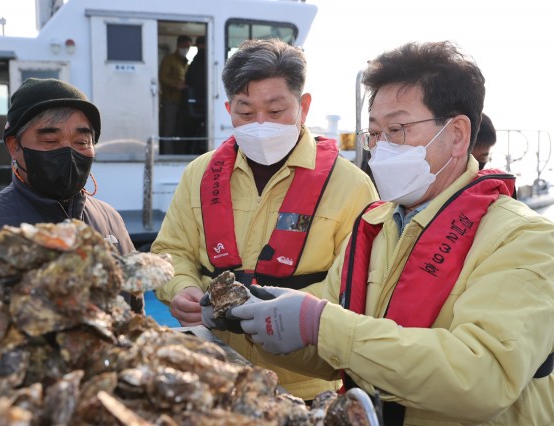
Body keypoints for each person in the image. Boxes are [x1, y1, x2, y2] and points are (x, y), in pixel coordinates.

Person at [218, 41, 554, 425]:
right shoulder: (375, 227)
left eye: (396, 130)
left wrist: (319, 323)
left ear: (458, 134)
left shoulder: (526, 239)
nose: (380, 150)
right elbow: (331, 348)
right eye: (374, 134)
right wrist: (252, 318)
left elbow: (484, 377)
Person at [152, 38, 379, 401]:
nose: (260, 124)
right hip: (212, 376)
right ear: (228, 109)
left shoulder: (352, 185)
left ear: (303, 106)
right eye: (245, 112)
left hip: (305, 386)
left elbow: (362, 285)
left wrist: (283, 313)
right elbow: (170, 251)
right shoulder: (199, 174)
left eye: (275, 112)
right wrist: (181, 290)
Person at [0, 78, 143, 311]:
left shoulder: (110, 218)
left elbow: (135, 310)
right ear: (14, 146)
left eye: (82, 141)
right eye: (50, 141)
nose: (69, 152)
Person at [159, 35, 192, 153]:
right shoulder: (169, 59)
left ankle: (177, 152)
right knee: (169, 129)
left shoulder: (185, 62)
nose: (186, 49)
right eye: (184, 46)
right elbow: (162, 77)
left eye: (188, 47)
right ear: (178, 45)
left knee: (179, 130)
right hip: (170, 100)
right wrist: (177, 85)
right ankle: (167, 154)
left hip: (181, 101)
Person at [182, 35, 207, 153]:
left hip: (193, 103)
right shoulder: (208, 60)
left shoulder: (193, 63)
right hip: (204, 103)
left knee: (192, 133)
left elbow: (188, 81)